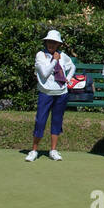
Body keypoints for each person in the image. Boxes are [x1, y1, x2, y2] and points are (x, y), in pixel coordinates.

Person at [31, 29, 76, 161]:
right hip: (46, 93)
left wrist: (69, 78)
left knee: (57, 121)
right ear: (46, 42)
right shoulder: (40, 55)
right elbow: (44, 73)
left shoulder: (63, 56)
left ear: (58, 44)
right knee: (40, 121)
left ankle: (53, 150)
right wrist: (55, 61)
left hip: (61, 94)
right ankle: (34, 150)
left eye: (54, 43)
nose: (51, 44)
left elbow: (72, 67)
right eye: (49, 42)